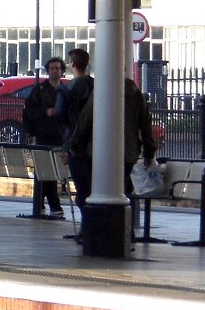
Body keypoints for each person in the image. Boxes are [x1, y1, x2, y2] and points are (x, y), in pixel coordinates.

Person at [66, 76, 158, 236]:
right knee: (121, 190)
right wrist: (149, 152)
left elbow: (85, 119)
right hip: (128, 152)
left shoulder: (102, 91)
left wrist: (74, 142)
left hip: (102, 150)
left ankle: (92, 232)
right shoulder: (136, 95)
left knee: (98, 191)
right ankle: (126, 234)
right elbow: (146, 124)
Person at [22, 57, 67, 217]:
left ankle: (39, 202)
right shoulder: (39, 90)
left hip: (60, 136)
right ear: (48, 71)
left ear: (62, 70)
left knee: (49, 172)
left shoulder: (65, 90)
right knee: (47, 170)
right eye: (52, 68)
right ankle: (54, 205)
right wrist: (44, 112)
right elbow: (28, 112)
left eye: (58, 68)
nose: (55, 71)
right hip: (43, 136)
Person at [63, 48, 94, 224]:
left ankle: (86, 225)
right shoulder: (95, 86)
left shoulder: (70, 89)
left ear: (72, 64)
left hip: (77, 145)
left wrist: (67, 146)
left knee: (82, 187)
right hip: (95, 144)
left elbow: (65, 118)